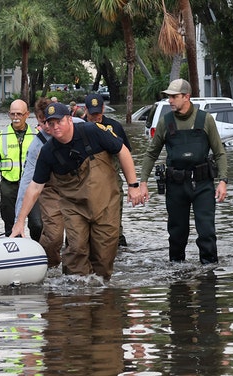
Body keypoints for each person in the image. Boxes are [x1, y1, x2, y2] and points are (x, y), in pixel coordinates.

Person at [11, 102, 144, 280]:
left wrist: (133, 185)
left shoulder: (93, 131)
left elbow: (123, 151)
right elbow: (34, 186)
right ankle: (75, 298)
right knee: (76, 250)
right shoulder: (46, 152)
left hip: (105, 202)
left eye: (59, 122)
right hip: (74, 206)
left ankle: (101, 297)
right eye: (51, 123)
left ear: (70, 120)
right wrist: (19, 221)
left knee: (104, 256)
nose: (55, 127)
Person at [139, 78, 228, 264]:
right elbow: (150, 154)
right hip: (176, 186)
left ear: (186, 97)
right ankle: (177, 277)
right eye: (168, 96)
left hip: (203, 185)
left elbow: (220, 153)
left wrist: (222, 181)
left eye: (174, 96)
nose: (170, 100)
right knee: (177, 234)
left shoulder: (206, 120)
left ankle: (210, 274)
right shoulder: (165, 122)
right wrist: (143, 182)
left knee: (206, 233)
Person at [15, 98, 65, 267]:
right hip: (50, 190)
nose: (48, 127)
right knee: (51, 235)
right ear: (36, 119)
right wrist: (18, 220)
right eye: (43, 122)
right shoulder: (36, 146)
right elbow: (26, 183)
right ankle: (47, 266)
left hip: (76, 187)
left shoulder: (77, 128)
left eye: (51, 122)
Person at [0, 99, 41, 238]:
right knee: (11, 226)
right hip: (9, 187)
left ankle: (37, 247)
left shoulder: (37, 136)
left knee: (37, 224)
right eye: (13, 114)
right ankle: (16, 252)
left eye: (19, 114)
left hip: (31, 187)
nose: (15, 118)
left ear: (27, 114)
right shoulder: (0, 137)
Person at [83, 93, 132, 247]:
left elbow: (127, 155)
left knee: (114, 224)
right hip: (86, 182)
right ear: (85, 110)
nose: (96, 117)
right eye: (92, 114)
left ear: (103, 109)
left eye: (99, 113)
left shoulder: (114, 127)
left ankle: (118, 249)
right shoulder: (77, 127)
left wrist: (133, 185)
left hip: (112, 181)